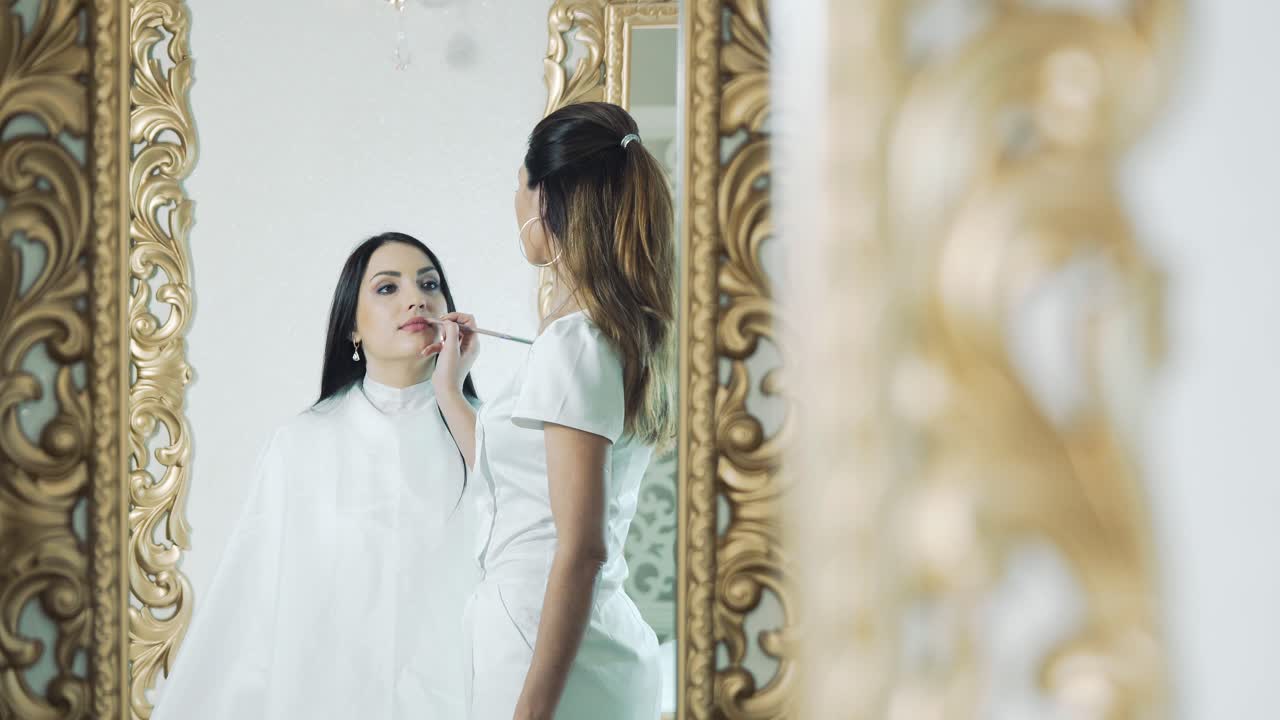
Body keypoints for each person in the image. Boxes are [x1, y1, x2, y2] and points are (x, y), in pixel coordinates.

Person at [153, 232, 481, 719]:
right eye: (387, 288)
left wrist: (451, 392)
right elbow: (254, 603)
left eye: (430, 284)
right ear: (353, 326)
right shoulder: (300, 445)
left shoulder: (487, 437)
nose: (417, 297)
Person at [430, 101, 676, 720]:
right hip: (551, 639)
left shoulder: (576, 344)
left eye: (518, 187)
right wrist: (450, 392)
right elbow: (523, 485)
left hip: (545, 651)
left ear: (546, 200)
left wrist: (533, 709)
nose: (514, 205)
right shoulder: (595, 336)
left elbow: (581, 547)